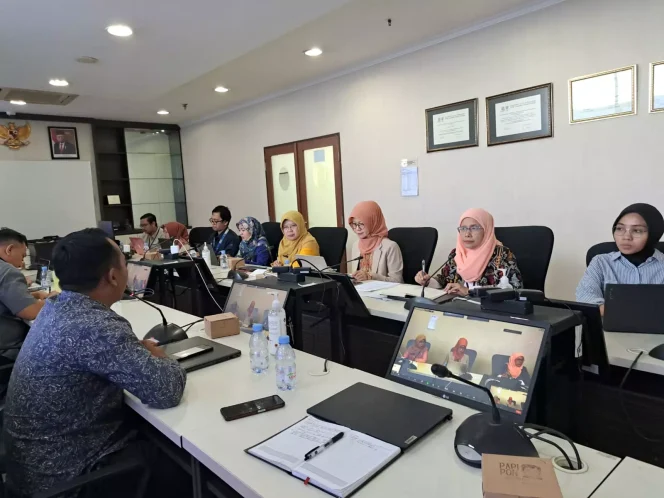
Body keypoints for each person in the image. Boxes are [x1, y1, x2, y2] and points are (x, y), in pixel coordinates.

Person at [3, 228, 187, 495]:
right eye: (125, 264)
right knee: (182, 460)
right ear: (113, 276)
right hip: (67, 477)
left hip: (33, 466)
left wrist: (129, 352)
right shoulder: (94, 325)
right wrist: (161, 357)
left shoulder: (56, 308)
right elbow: (166, 390)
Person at [576, 203, 664, 314]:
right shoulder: (601, 262)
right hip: (608, 328)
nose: (626, 237)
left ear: (654, 233)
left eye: (637, 230)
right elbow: (586, 298)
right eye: (620, 228)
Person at [416, 208, 522, 295]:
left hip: (490, 311)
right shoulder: (457, 253)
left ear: (486, 230)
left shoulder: (502, 254)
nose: (467, 234)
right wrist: (427, 280)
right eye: (463, 228)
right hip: (458, 307)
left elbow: (515, 289)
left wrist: (469, 292)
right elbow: (444, 279)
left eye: (474, 228)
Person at [0, 228, 52, 360]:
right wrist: (53, 300)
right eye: (22, 256)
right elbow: (30, 312)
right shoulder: (7, 272)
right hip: (8, 350)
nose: (22, 263)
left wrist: (34, 296)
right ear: (9, 250)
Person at [349, 201, 404, 282]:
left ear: (373, 222)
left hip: (382, 293)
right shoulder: (355, 245)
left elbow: (397, 281)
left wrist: (371, 276)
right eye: (354, 224)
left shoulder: (390, 247)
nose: (357, 229)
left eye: (361, 224)